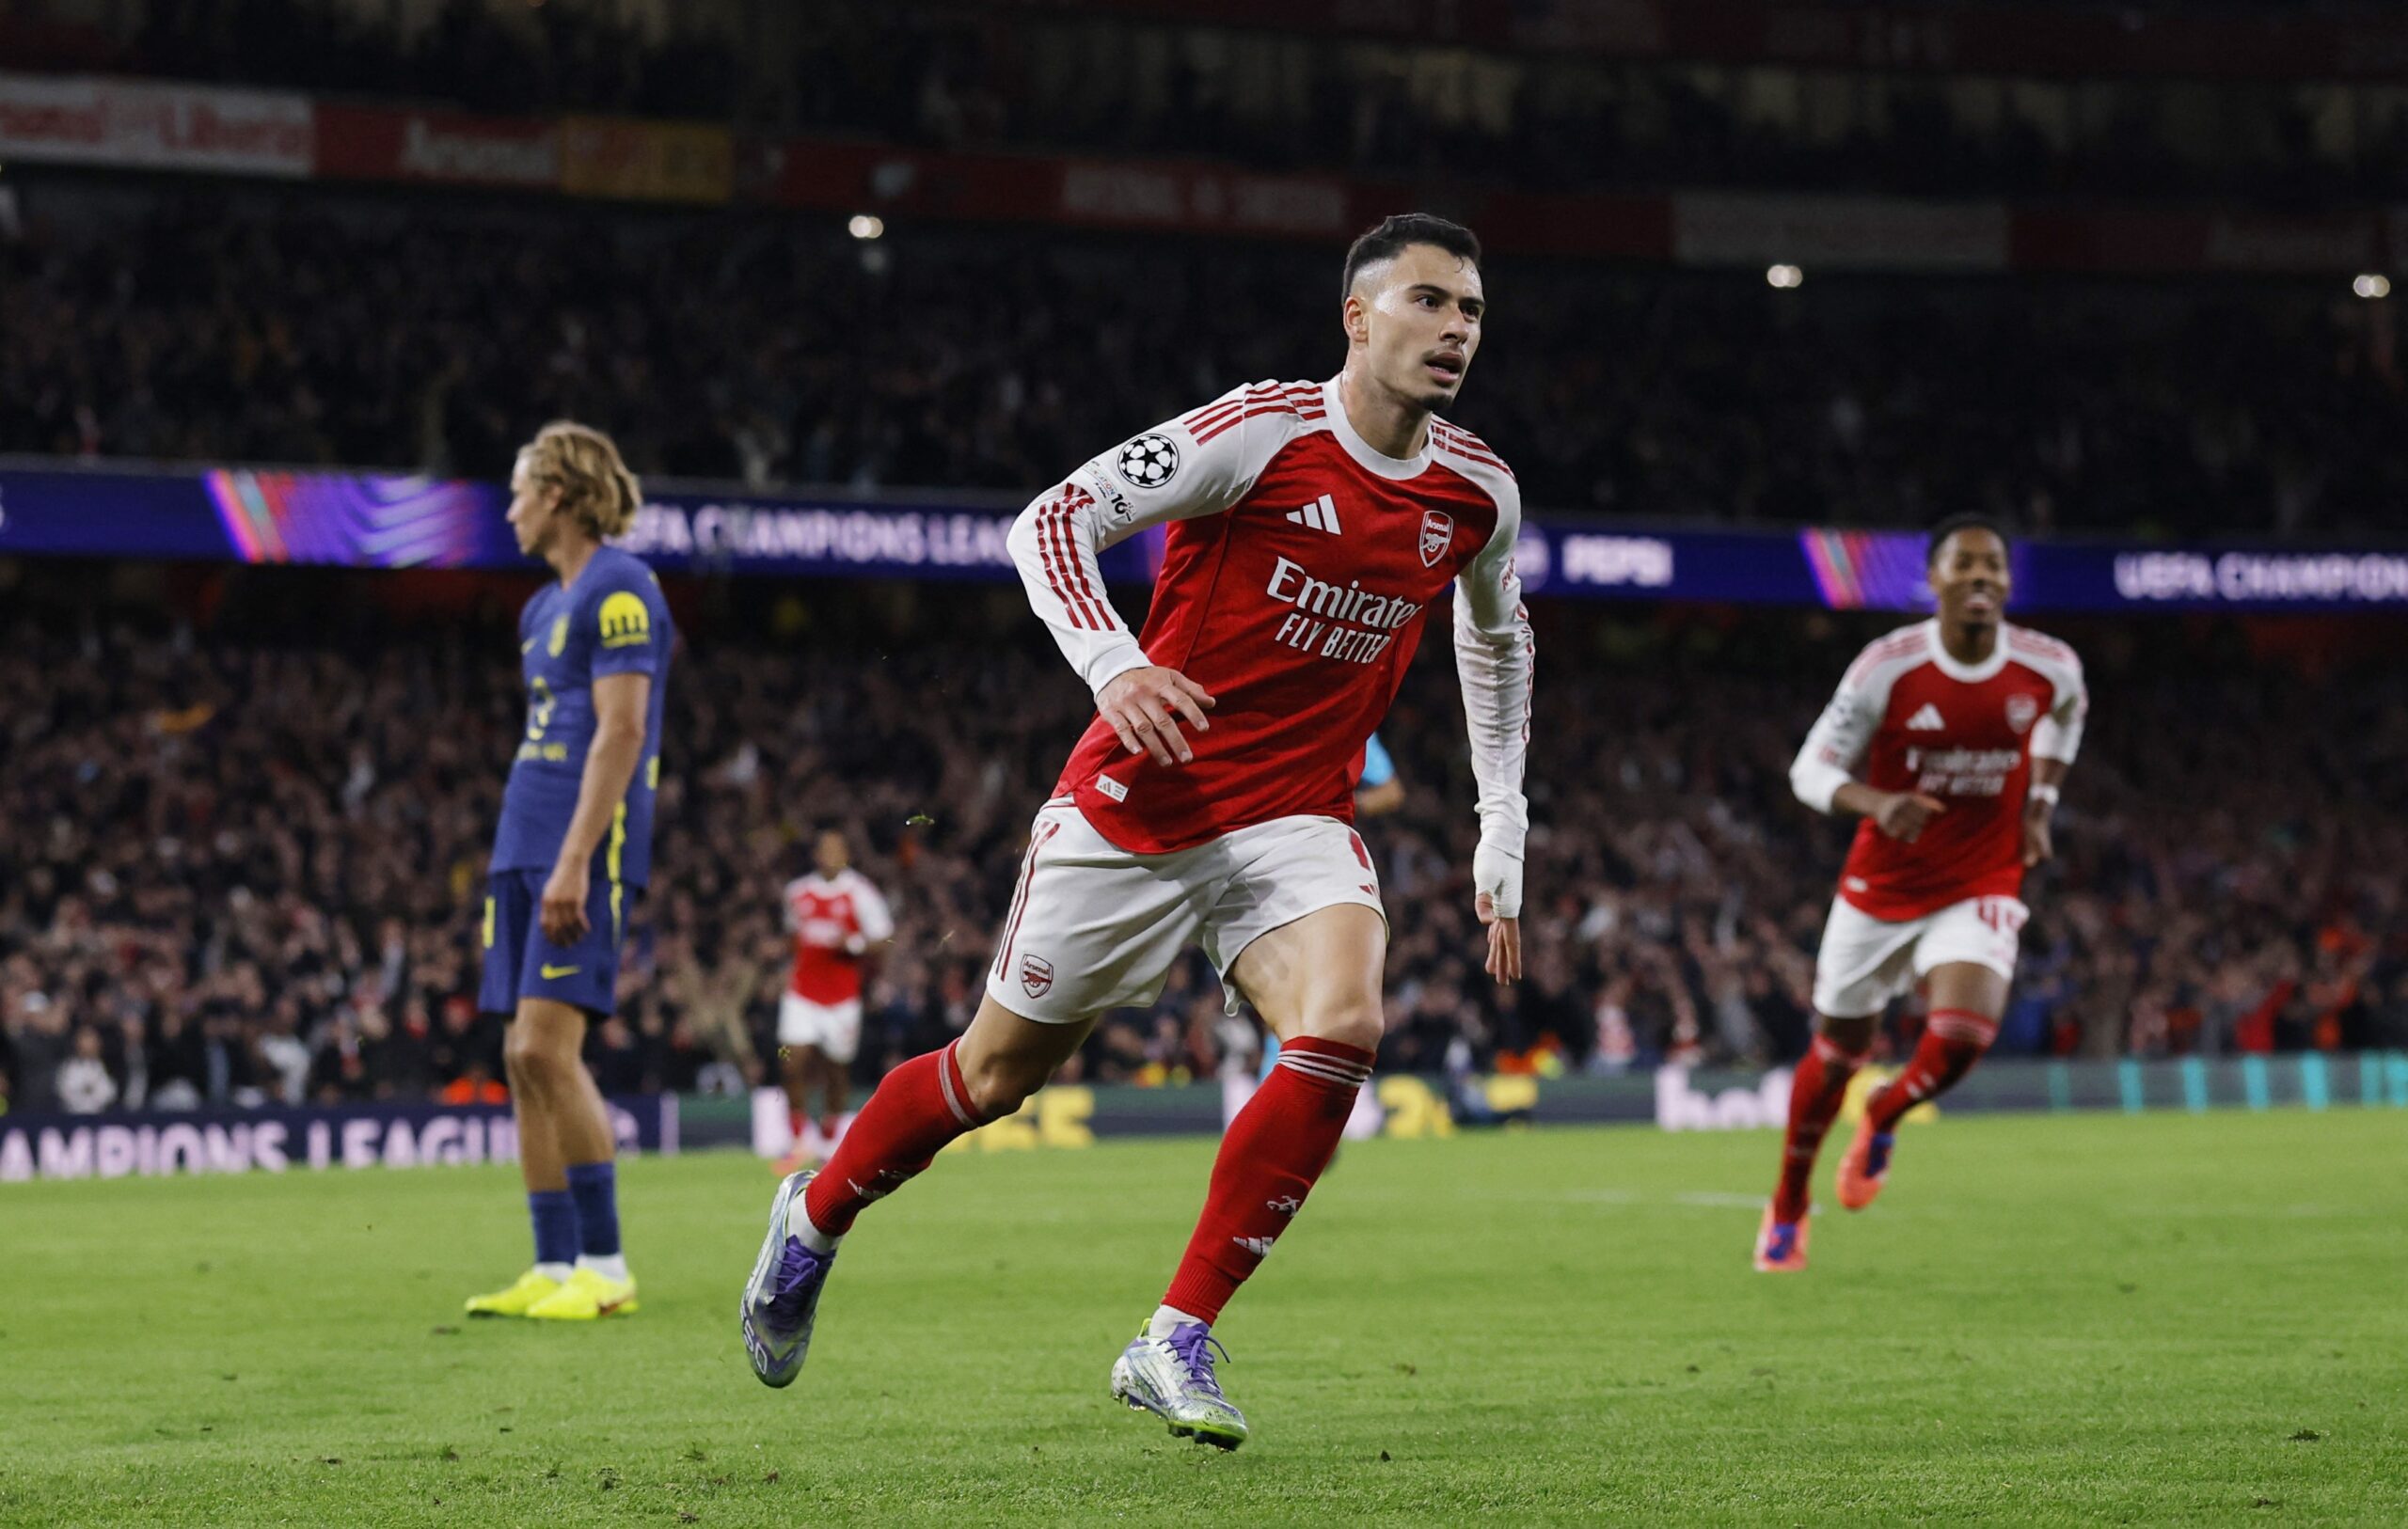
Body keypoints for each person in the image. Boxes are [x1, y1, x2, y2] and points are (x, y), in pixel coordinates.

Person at [739, 213, 1534, 1449]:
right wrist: (1113, 663)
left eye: (1472, 310)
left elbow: (1497, 638)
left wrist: (1504, 820)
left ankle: (1174, 1334)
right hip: (1139, 805)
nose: (1455, 329)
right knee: (991, 1076)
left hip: (1293, 819)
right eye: (1429, 302)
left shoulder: (1475, 489)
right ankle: (816, 1213)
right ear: (1357, 317)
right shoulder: (1261, 432)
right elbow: (1048, 520)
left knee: (1347, 1021)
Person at [1754, 514, 2085, 1272]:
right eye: (1963, 565)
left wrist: (2039, 807)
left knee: (1965, 1034)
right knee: (1837, 1054)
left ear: (2007, 581)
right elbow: (1810, 770)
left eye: (1994, 566)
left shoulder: (2050, 666)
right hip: (1881, 887)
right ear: (1932, 581)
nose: (1981, 578)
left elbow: (2066, 723)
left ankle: (1887, 1110)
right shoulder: (1888, 666)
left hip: (1982, 876)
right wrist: (1877, 804)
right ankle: (1788, 1205)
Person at [463, 421, 674, 1320]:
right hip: (523, 846)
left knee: (550, 1047)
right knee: (520, 1057)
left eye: (517, 490)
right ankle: (552, 1266)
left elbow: (621, 732)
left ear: (556, 493)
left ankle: (607, 1265)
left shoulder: (621, 587)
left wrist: (577, 860)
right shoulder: (540, 608)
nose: (508, 509)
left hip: (577, 853)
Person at [775, 829, 894, 1171]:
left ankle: (828, 1139)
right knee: (792, 1061)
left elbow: (884, 938)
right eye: (824, 849)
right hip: (802, 993)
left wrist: (853, 944)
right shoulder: (797, 893)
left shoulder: (861, 893)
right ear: (816, 855)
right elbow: (792, 936)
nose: (830, 855)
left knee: (836, 1069)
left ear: (846, 855)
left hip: (842, 998)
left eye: (836, 850)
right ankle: (798, 1140)